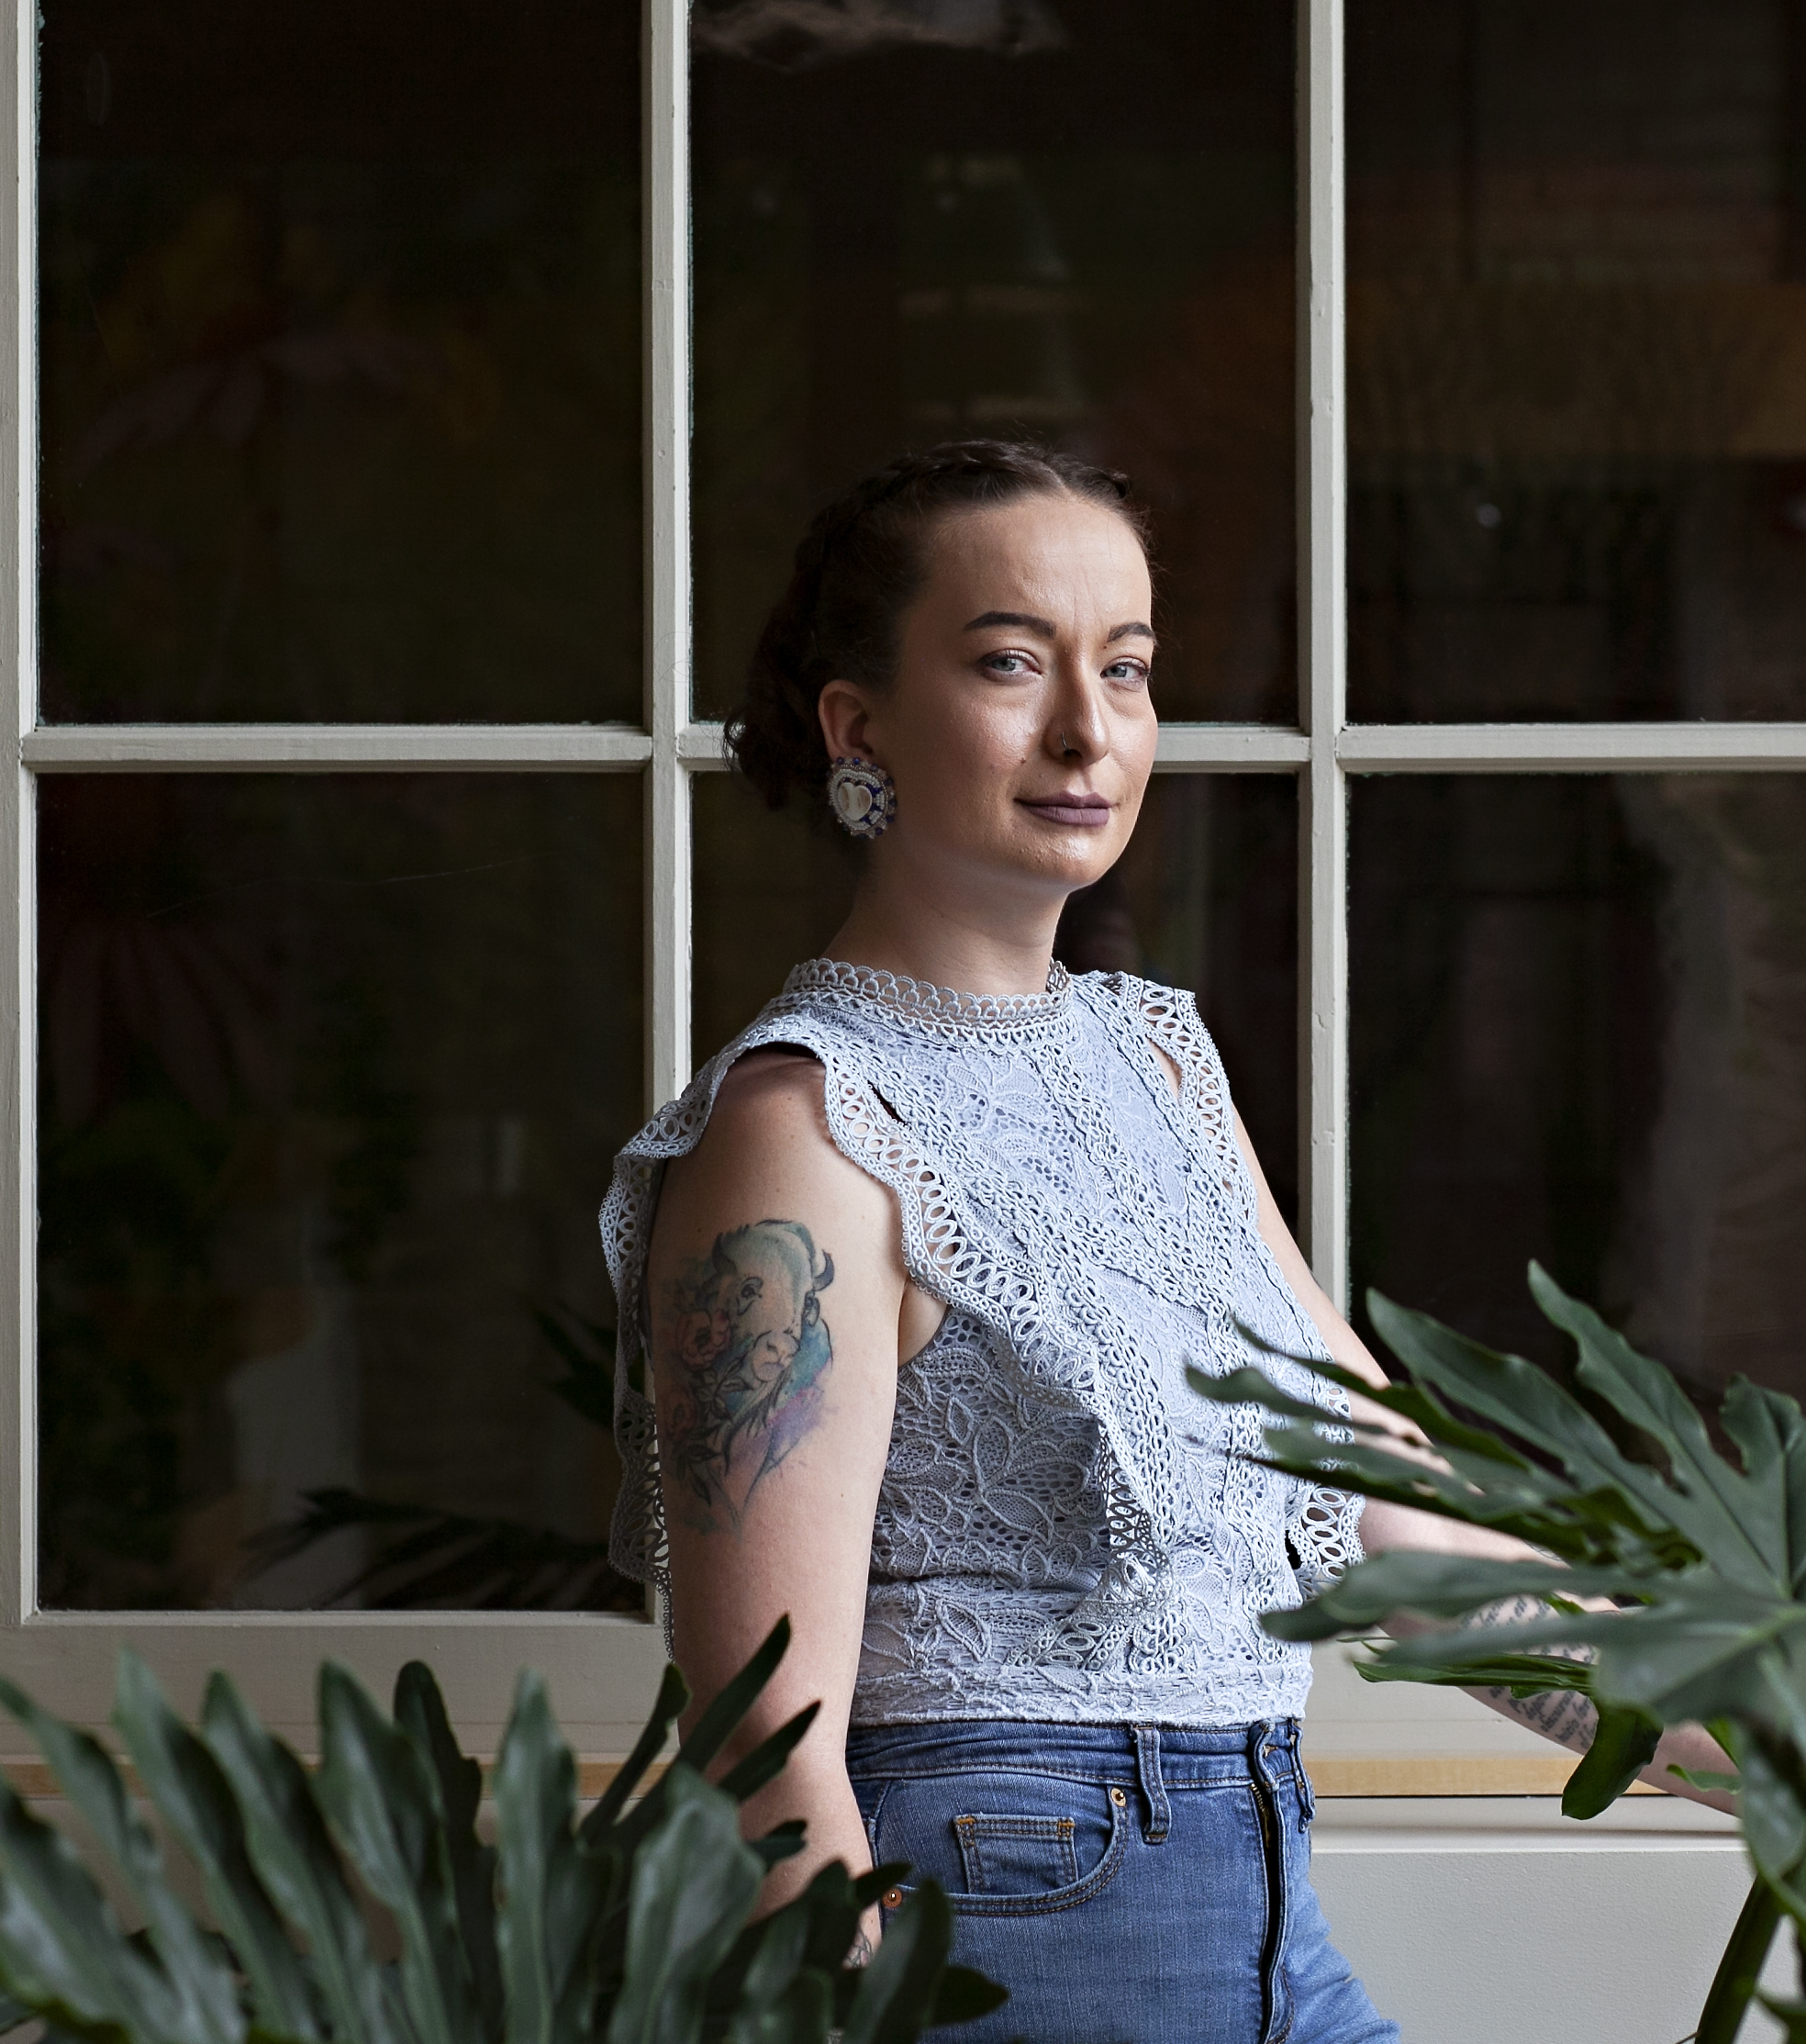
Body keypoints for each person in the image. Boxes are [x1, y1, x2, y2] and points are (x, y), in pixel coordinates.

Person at [601, 441, 1729, 2043]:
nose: (1088, 730)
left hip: (1258, 1893)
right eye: (1009, 662)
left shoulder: (1158, 1066)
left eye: (1126, 670)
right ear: (861, 729)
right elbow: (757, 1727)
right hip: (1003, 1904)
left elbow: (1383, 1518)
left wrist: (1797, 1754)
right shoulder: (803, 1129)